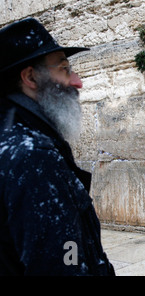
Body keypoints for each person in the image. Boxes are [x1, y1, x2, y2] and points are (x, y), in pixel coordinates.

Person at [0, 18, 115, 275]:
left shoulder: (10, 140)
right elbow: (65, 260)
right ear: (30, 77)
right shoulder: (33, 157)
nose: (77, 81)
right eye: (64, 69)